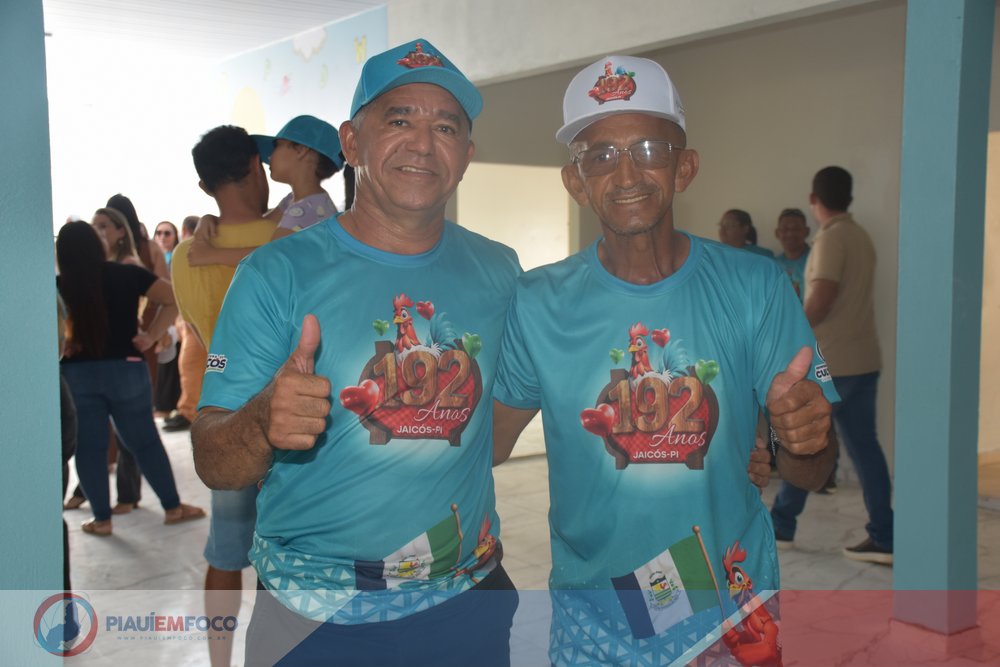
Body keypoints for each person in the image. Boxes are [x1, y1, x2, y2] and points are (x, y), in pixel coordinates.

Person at [490, 55, 837, 666]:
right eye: (600, 155)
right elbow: (483, 446)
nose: (626, 173)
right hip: (595, 626)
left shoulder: (756, 287)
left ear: (685, 167)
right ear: (576, 181)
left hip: (730, 616)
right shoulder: (537, 301)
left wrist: (803, 441)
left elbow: (813, 471)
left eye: (649, 149)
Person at [190, 38, 522, 667]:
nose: (422, 144)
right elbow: (213, 460)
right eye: (399, 120)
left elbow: (496, 434)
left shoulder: (500, 271)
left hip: (466, 602)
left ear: (466, 155)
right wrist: (260, 422)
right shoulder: (275, 273)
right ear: (350, 142)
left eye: (445, 127)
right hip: (314, 619)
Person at [169, 124, 277, 667]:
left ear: (203, 185)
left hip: (222, 410)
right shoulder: (290, 238)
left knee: (226, 553)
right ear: (257, 165)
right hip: (287, 410)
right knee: (284, 557)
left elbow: (198, 331)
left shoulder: (185, 254)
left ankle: (218, 662)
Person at [770, 166, 894, 564]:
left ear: (813, 199)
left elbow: (821, 299)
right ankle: (885, 535)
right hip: (863, 359)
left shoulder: (830, 240)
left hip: (834, 366)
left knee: (808, 442)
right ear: (850, 199)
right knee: (864, 448)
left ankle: (781, 525)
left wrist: (793, 334)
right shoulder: (860, 236)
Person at [56, 221, 204, 537]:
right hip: (127, 368)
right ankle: (173, 508)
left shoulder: (57, 285)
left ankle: (102, 519)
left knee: (89, 448)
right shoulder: (126, 274)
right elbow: (173, 297)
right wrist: (150, 335)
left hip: (77, 375)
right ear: (97, 245)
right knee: (145, 442)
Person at [185, 115, 344, 268]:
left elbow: (271, 257)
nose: (269, 156)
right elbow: (257, 222)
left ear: (301, 150)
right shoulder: (298, 201)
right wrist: (209, 218)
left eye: (277, 146)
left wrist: (211, 255)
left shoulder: (309, 209)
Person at [773, 207, 810, 302]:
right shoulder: (773, 265)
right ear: (777, 233)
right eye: (785, 229)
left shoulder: (817, 261)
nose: (790, 234)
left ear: (807, 232)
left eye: (796, 229)